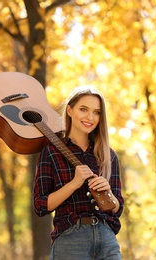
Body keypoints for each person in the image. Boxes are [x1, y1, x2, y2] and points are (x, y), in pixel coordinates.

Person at [33, 86, 124, 260]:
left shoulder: (108, 154)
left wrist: (109, 194)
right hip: (71, 239)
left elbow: (118, 207)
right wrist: (74, 184)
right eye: (83, 109)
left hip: (107, 237)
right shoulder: (52, 152)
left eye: (96, 112)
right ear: (69, 110)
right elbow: (40, 205)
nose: (90, 117)